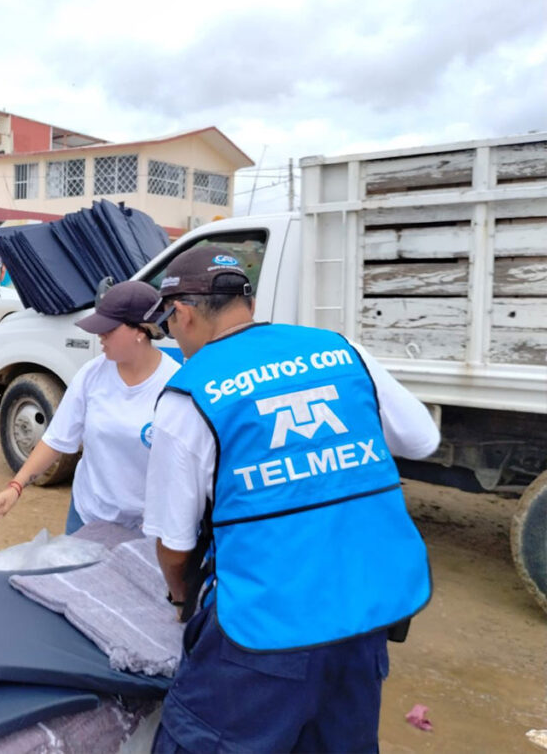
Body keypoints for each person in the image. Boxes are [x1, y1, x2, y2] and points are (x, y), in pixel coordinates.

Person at [141, 246, 440, 753]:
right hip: (362, 612)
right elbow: (421, 440)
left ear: (184, 314)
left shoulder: (188, 393)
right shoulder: (341, 349)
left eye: (168, 324)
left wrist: (178, 601)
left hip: (262, 630)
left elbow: (174, 545)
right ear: (247, 303)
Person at [0, 280, 180, 532]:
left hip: (145, 526)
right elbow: (56, 438)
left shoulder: (175, 385)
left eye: (108, 328)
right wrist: (16, 486)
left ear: (140, 332)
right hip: (87, 514)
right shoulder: (92, 374)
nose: (100, 335)